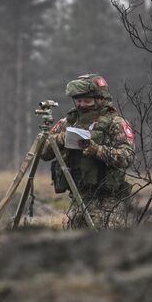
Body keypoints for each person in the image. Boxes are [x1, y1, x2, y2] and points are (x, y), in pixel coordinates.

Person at [41, 74, 135, 229]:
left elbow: (127, 156)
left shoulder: (116, 123)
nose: (82, 105)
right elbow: (43, 153)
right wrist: (60, 139)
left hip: (107, 203)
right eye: (79, 101)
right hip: (77, 198)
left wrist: (96, 150)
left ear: (100, 100)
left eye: (87, 101)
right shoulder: (68, 122)